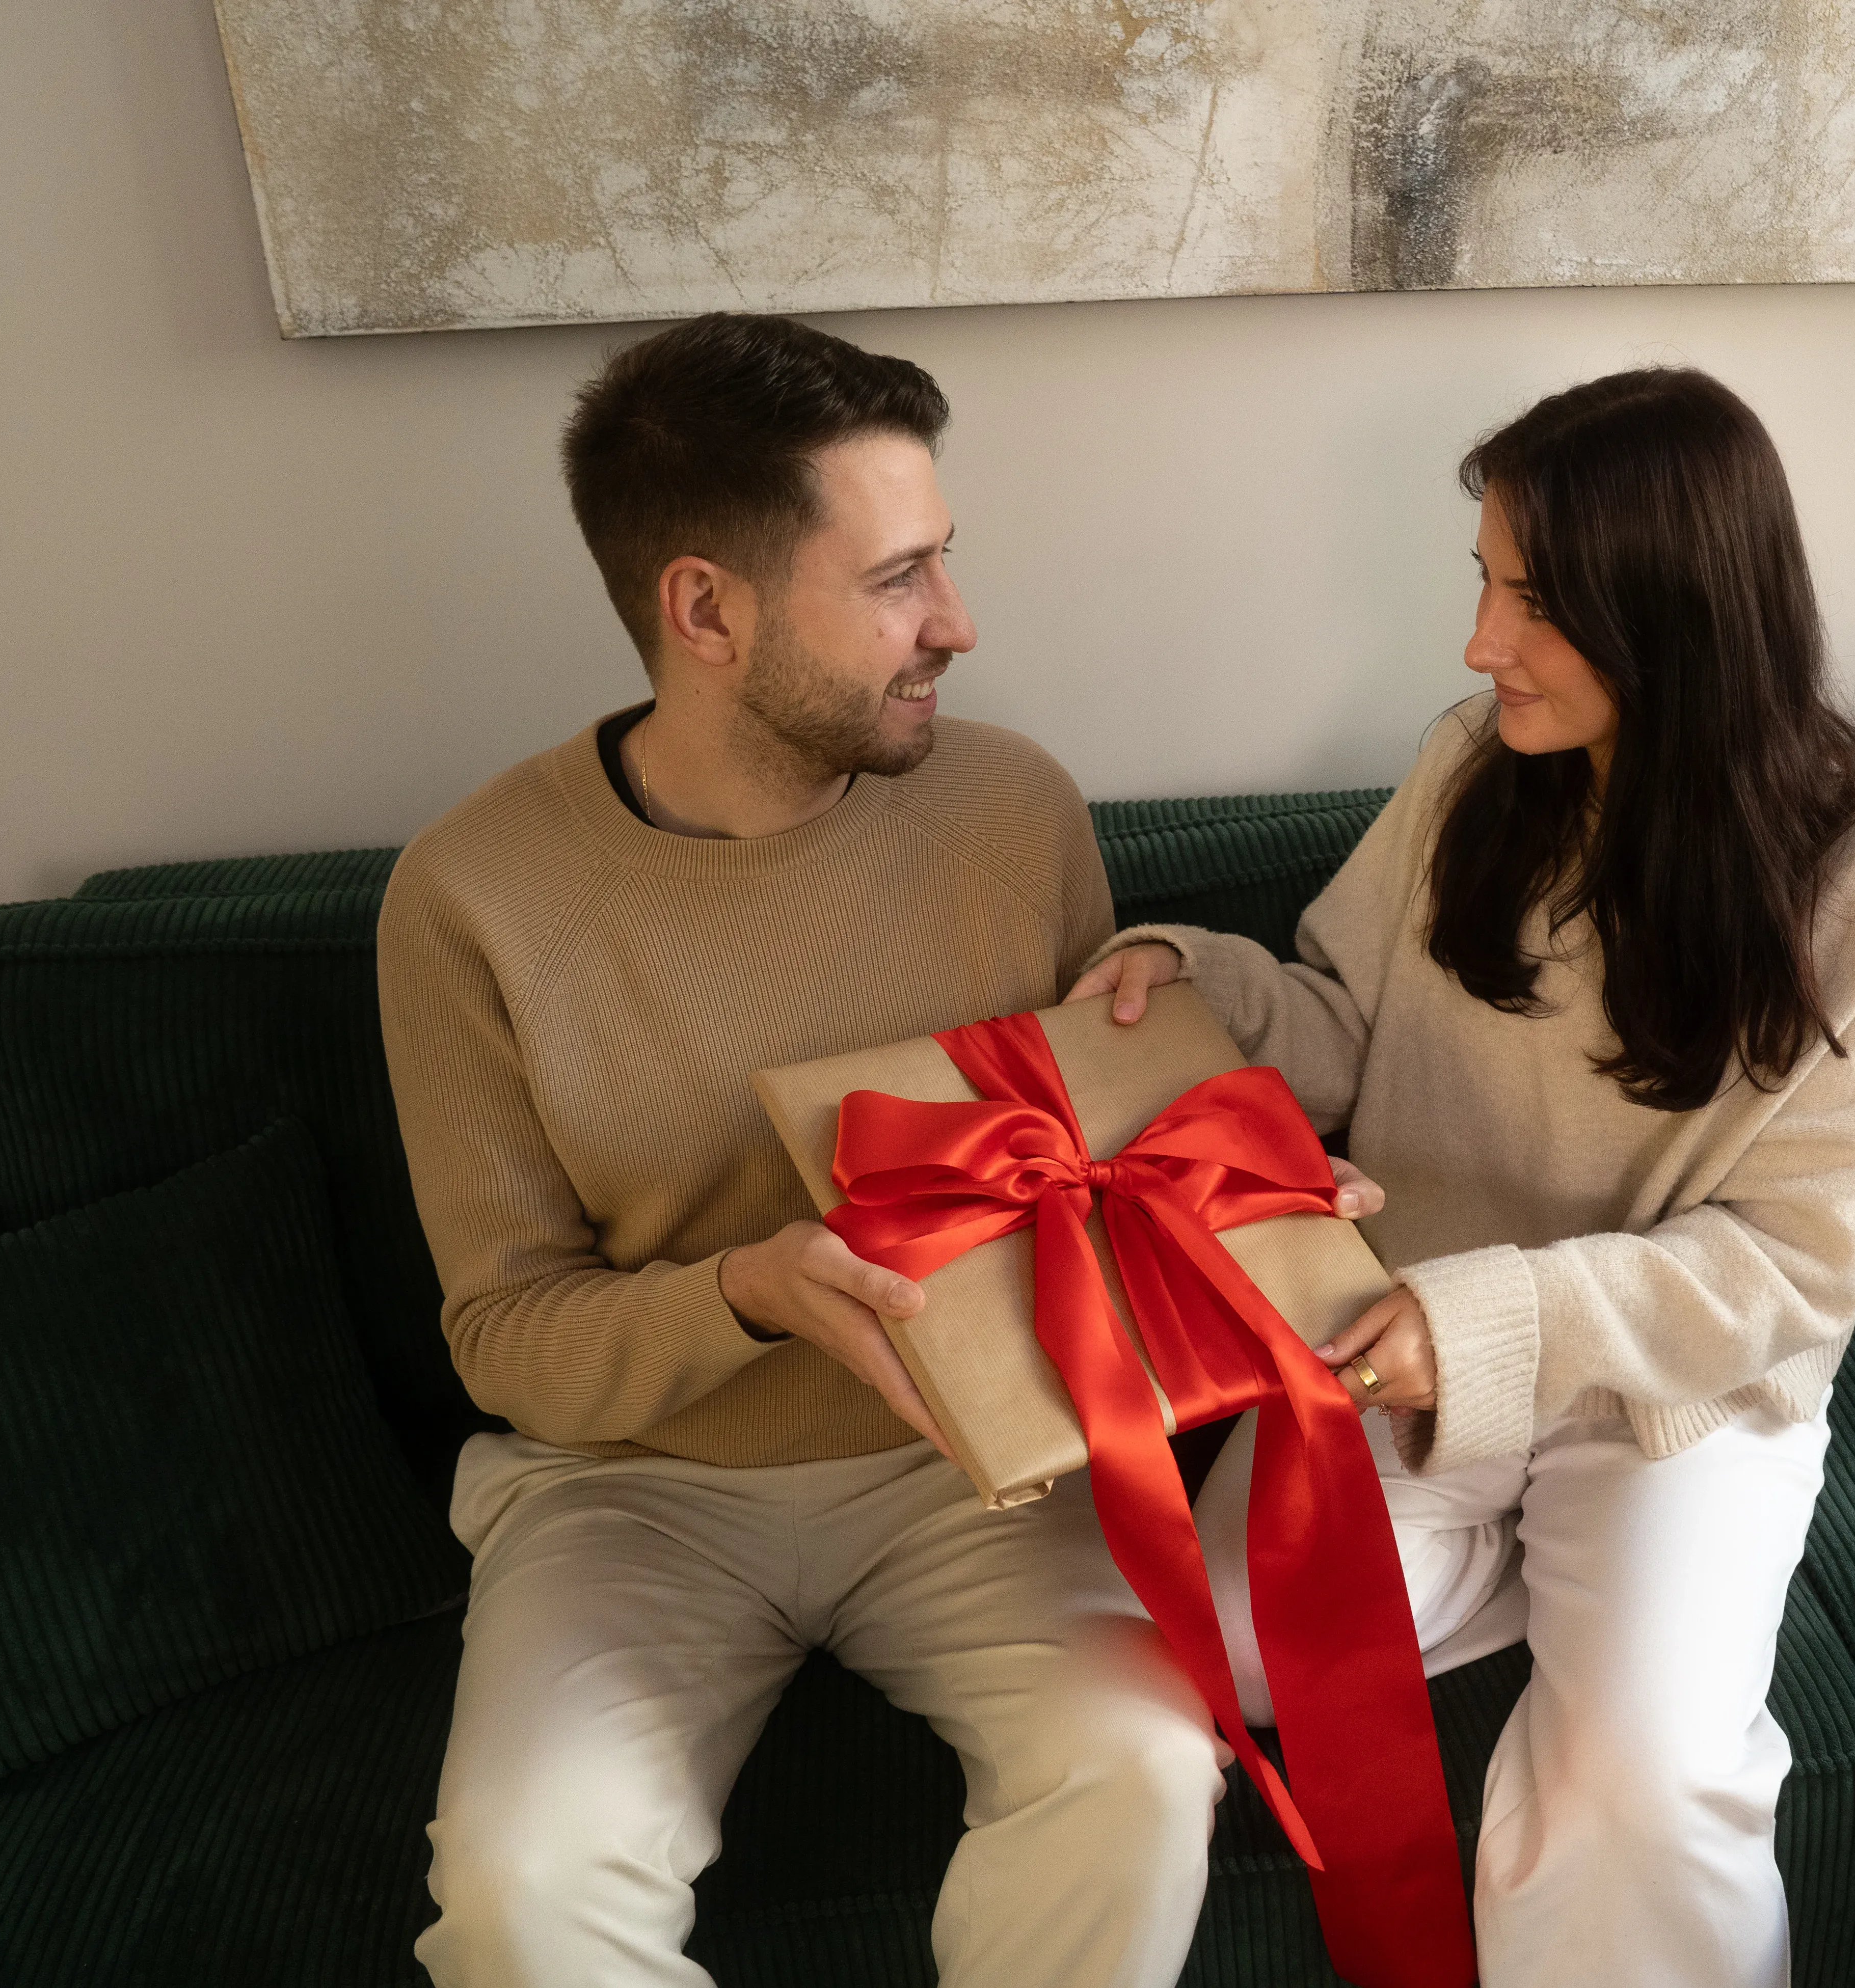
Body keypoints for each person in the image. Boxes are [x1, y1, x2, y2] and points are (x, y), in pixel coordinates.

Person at [380, 313, 1263, 1988]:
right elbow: (505, 1334)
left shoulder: (1013, 809)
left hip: (967, 1465)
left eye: (944, 560)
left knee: (1146, 1769)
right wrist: (745, 1292)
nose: (958, 622)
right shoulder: (468, 898)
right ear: (704, 609)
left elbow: (1092, 1183)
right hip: (632, 1490)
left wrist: (1254, 1182)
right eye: (898, 579)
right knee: (523, 1890)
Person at [1069, 367, 1855, 1988]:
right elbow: (1337, 1016)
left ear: (1672, 607)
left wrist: (1480, 1328)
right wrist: (1182, 975)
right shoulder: (1474, 766)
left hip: (1669, 1403)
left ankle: (1597, 1611)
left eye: (1530, 600)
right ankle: (1538, 1588)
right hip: (1391, 1359)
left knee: (1640, 1785)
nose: (1481, 641)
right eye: (1482, 581)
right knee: (1202, 1661)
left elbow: (1788, 1271)